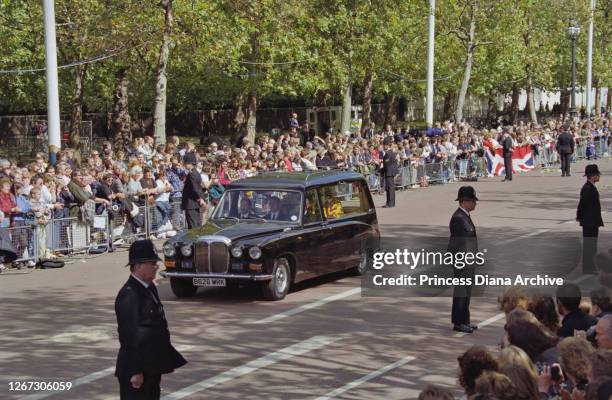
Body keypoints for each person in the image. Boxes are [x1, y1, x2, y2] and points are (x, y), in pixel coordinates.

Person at [115, 240, 187, 399]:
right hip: (138, 370)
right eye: (152, 263)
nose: (156, 266)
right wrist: (136, 370)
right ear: (138, 265)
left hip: (151, 366)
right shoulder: (129, 295)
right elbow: (129, 337)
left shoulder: (149, 286)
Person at [450, 186, 479, 333]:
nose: (475, 204)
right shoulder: (458, 218)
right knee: (461, 292)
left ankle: (465, 320)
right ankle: (458, 322)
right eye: (473, 201)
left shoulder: (465, 216)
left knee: (467, 292)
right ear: (465, 201)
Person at [576, 164, 603, 274]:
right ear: (592, 176)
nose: (599, 177)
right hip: (589, 221)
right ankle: (588, 268)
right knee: (589, 245)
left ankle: (591, 267)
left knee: (592, 245)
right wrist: (580, 216)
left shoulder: (590, 187)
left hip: (592, 220)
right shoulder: (587, 188)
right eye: (597, 175)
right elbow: (582, 204)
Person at [181, 152, 207, 229]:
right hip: (195, 203)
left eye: (185, 163)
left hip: (191, 203)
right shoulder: (196, 173)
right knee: (197, 224)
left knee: (193, 226)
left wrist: (201, 198)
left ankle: (194, 241)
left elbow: (195, 188)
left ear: (189, 163)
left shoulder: (192, 174)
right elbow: (200, 187)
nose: (184, 165)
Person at [381, 137, 398, 208]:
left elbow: (387, 164)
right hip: (390, 172)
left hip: (389, 172)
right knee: (390, 188)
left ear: (387, 145)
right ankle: (390, 203)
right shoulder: (390, 152)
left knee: (390, 188)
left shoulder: (389, 153)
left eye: (384, 145)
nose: (383, 146)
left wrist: (381, 169)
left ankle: (390, 203)